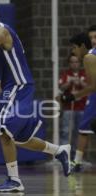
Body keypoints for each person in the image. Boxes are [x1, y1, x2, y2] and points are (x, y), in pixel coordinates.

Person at [0, 1, 71, 192]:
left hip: (20, 86)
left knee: (2, 127)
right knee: (18, 138)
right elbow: (14, 62)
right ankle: (59, 151)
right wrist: (2, 82)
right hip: (13, 86)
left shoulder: (2, 31)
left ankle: (15, 180)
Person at [60, 26, 96, 172]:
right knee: (89, 126)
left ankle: (77, 161)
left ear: (82, 46)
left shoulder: (89, 57)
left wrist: (72, 97)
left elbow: (93, 86)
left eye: (75, 47)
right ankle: (77, 161)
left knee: (88, 125)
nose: (73, 51)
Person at [59, 54, 86, 146]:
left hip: (82, 108)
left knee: (78, 132)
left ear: (80, 63)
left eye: (76, 62)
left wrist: (80, 82)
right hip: (68, 107)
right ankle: (64, 155)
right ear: (69, 63)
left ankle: (75, 157)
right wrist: (70, 82)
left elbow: (90, 87)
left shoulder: (84, 74)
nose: (74, 64)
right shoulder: (65, 74)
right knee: (65, 131)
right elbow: (61, 87)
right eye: (72, 62)